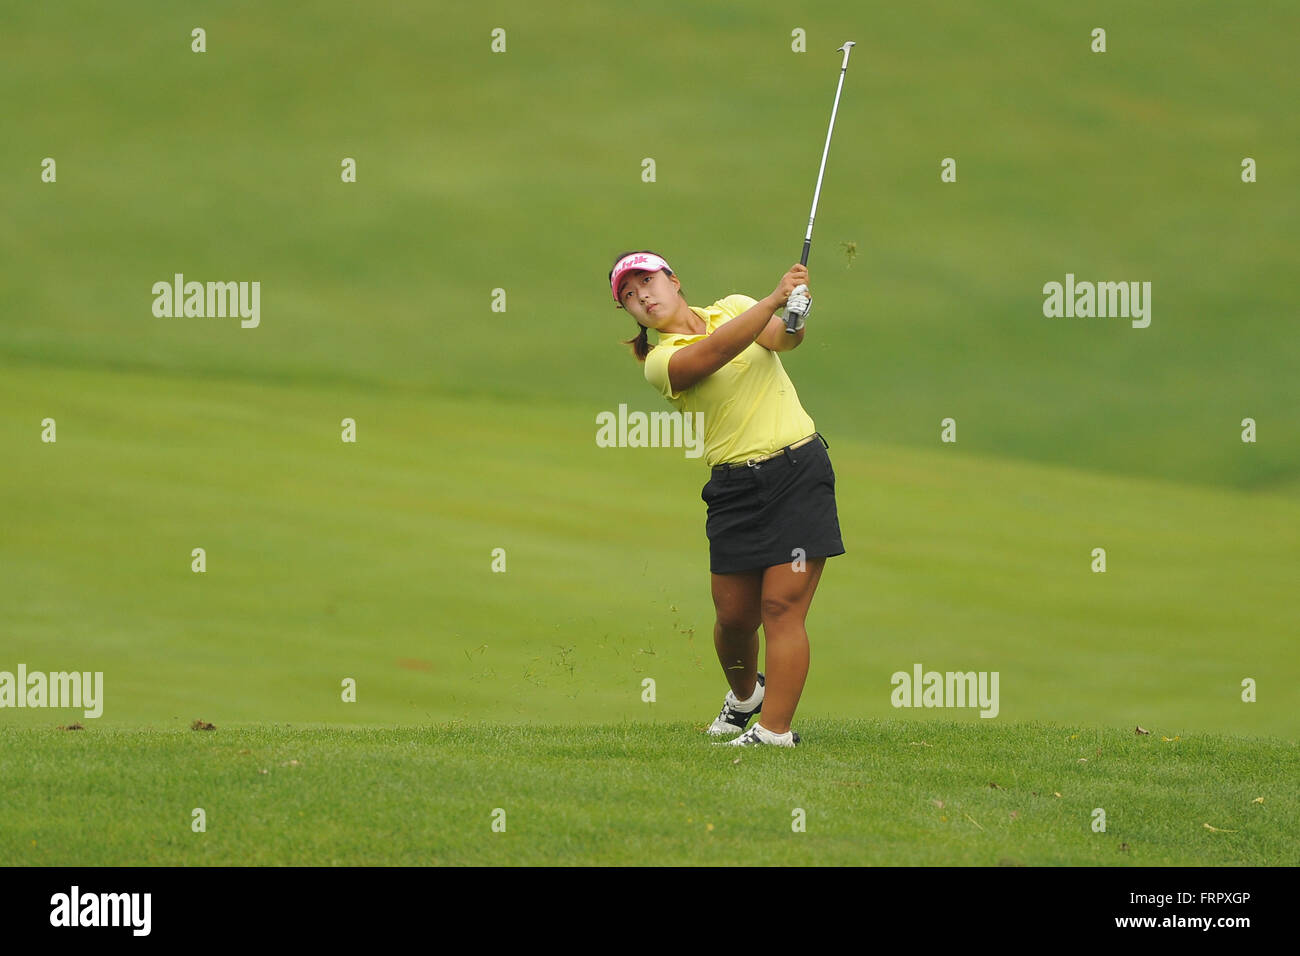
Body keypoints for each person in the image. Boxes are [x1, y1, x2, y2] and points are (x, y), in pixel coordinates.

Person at [607, 250, 845, 747]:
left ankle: (774, 732)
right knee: (734, 620)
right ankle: (744, 698)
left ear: (674, 281)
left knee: (782, 608)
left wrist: (795, 314)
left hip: (799, 472)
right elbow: (715, 353)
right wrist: (774, 298)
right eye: (629, 295)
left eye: (648, 282)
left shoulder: (736, 306)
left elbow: (782, 339)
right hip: (734, 488)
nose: (642, 297)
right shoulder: (660, 361)